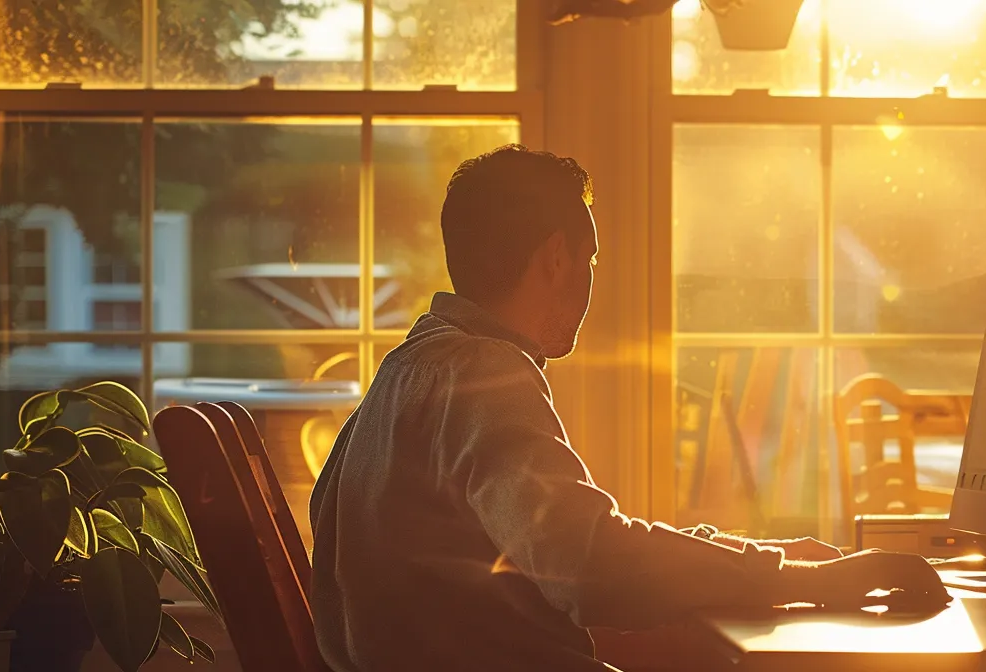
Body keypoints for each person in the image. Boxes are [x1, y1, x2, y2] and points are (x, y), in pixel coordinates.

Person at [309, 145, 948, 671]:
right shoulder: (485, 372)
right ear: (557, 257)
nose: (589, 283)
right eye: (588, 261)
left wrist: (765, 557)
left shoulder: (403, 369)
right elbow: (587, 564)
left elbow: (569, 540)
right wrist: (809, 582)